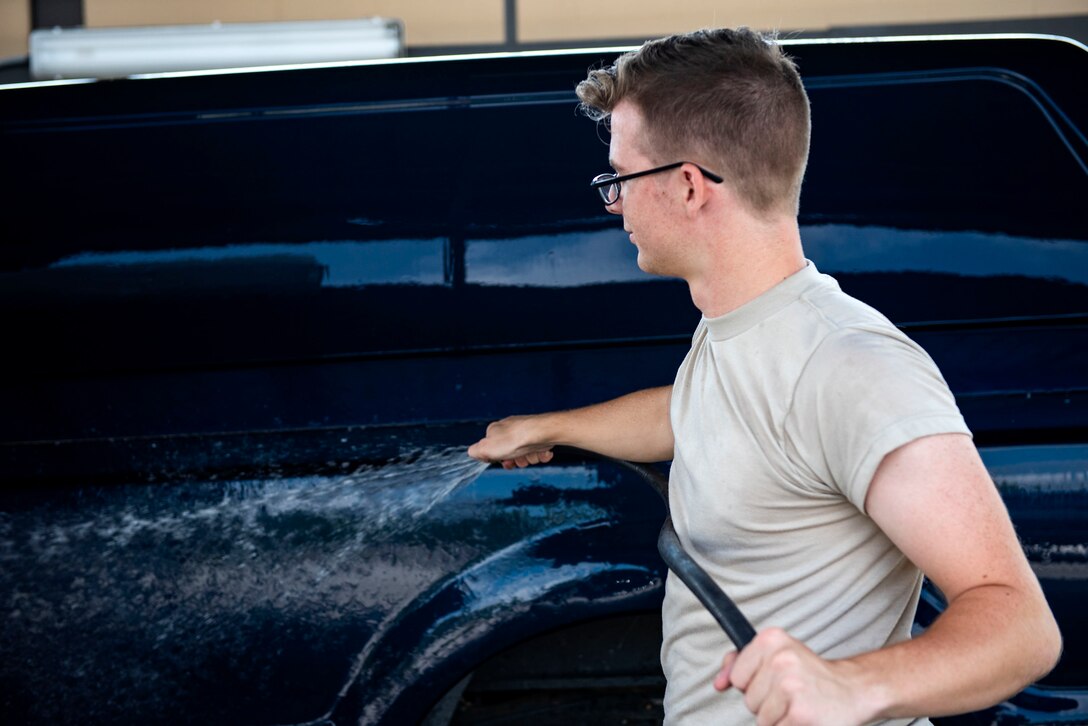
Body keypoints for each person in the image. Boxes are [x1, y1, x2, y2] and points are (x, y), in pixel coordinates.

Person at [467, 27, 1061, 725]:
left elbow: (1019, 625)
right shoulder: (740, 332)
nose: (615, 204)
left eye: (619, 179)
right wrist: (553, 427)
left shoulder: (850, 365)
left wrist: (851, 686)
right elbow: (699, 412)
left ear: (688, 186)